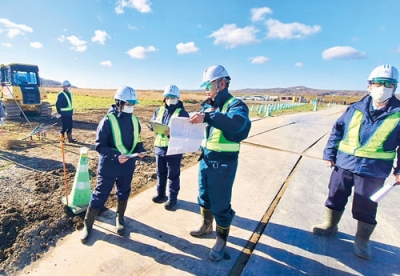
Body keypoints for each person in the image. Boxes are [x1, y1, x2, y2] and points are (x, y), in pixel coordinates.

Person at [312, 64, 400, 260]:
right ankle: (330, 225)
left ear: (395, 87)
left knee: (366, 205)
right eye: (378, 83)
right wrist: (329, 154)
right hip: (344, 163)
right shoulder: (355, 108)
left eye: (388, 84)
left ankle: (362, 240)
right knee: (335, 195)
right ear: (369, 86)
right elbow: (337, 131)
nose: (382, 87)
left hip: (374, 170)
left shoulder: (398, 113)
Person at [189, 65, 251, 261]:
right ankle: (206, 226)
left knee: (221, 204)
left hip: (223, 165)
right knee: (204, 196)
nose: (206, 89)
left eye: (209, 84)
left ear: (221, 83)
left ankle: (221, 240)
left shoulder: (236, 105)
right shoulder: (208, 106)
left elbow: (236, 123)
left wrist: (207, 116)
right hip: (206, 160)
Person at [80, 86, 147, 244]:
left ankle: (120, 218)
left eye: (133, 104)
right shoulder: (107, 121)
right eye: (128, 103)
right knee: (99, 195)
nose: (131, 106)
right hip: (109, 166)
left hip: (127, 166)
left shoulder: (135, 120)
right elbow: (100, 146)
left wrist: (141, 150)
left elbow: (138, 140)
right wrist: (116, 156)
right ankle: (87, 225)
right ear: (119, 102)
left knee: (123, 192)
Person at [149, 84, 189, 210]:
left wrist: (173, 133)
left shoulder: (182, 112)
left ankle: (172, 199)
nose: (170, 99)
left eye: (173, 97)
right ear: (164, 97)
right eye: (168, 97)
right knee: (160, 173)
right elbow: (152, 123)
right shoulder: (159, 110)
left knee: (173, 175)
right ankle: (161, 194)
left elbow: (186, 132)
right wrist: (154, 126)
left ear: (178, 98)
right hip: (160, 147)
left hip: (174, 149)